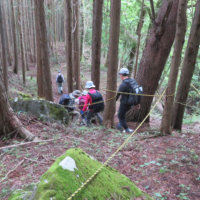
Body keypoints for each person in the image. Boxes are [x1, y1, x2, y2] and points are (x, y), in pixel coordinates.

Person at [116, 68, 140, 133]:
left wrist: (113, 101)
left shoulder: (123, 84)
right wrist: (137, 103)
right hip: (131, 103)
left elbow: (118, 94)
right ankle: (119, 125)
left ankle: (127, 129)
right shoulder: (133, 81)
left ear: (121, 75)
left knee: (120, 116)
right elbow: (137, 92)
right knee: (122, 114)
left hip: (125, 103)